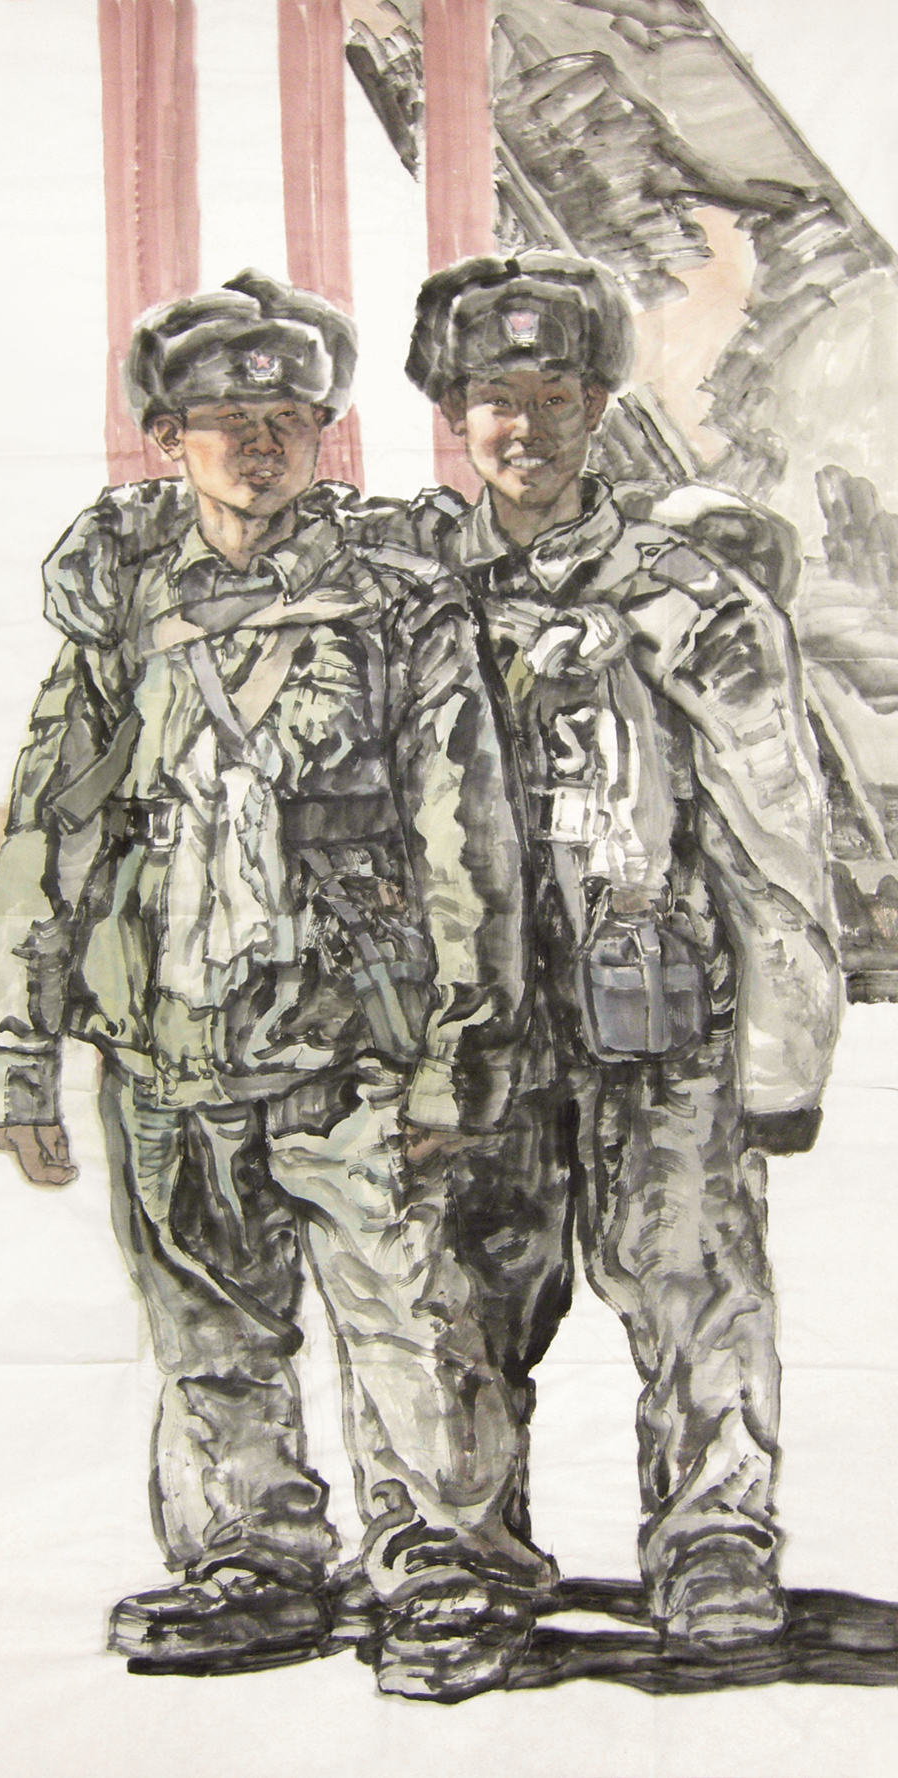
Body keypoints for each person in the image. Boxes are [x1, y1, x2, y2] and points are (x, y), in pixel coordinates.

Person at [0, 271, 554, 1702]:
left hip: (357, 1037)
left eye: (289, 415)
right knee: (208, 1331)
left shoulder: (400, 604)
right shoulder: (119, 611)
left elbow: (465, 834)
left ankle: (448, 1571)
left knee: (412, 1317)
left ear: (322, 431)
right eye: (225, 419)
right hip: (170, 1035)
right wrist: (12, 1051)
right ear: (167, 437)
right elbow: (53, 828)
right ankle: (254, 1562)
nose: (261, 442)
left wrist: (462, 1049)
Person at [374, 250, 843, 1650]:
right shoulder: (395, 602)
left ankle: (714, 1542)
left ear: (598, 404)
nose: (523, 425)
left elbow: (773, 832)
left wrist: (786, 1055)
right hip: (469, 1027)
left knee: (694, 1277)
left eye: (555, 393)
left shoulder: (691, 601)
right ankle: (460, 1552)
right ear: (454, 412)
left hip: (659, 1016)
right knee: (455, 1291)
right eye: (494, 397)